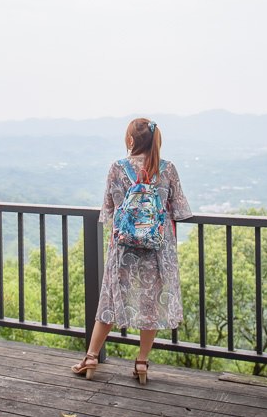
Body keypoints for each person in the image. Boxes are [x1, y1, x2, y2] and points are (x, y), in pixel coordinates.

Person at [71, 117, 192, 385]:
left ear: (130, 141)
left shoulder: (117, 168)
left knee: (110, 302)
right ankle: (141, 363)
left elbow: (109, 210)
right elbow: (181, 210)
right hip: (158, 250)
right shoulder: (168, 169)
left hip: (123, 249)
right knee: (150, 304)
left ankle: (91, 357)